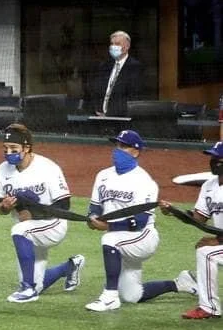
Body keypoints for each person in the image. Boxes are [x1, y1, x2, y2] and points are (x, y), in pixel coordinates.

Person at [84, 130, 196, 312]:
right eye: (117, 145)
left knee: (109, 239)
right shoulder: (103, 175)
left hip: (142, 237)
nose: (117, 150)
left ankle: (109, 297)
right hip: (122, 240)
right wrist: (92, 218)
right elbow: (95, 206)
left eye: (123, 146)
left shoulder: (144, 181)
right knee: (132, 296)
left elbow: (141, 220)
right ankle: (181, 283)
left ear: (136, 152)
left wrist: (108, 226)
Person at [0, 123, 84, 303]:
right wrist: (5, 207)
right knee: (38, 282)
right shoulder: (2, 170)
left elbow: (64, 205)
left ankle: (27, 288)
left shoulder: (47, 168)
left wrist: (34, 214)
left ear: (26, 148)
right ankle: (70, 266)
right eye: (5, 148)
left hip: (53, 224)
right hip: (29, 231)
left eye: (13, 148)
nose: (9, 153)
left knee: (19, 230)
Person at [160, 141, 223, 320]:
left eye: (219, 159)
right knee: (206, 251)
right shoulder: (209, 186)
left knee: (207, 253)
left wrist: (218, 241)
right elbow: (198, 219)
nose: (214, 162)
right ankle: (209, 307)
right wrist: (174, 211)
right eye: (212, 158)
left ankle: (209, 308)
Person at [88, 30, 142, 117]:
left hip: (120, 118)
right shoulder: (104, 66)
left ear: (127, 46)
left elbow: (132, 98)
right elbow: (95, 91)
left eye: (117, 44)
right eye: (112, 44)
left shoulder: (135, 67)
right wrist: (96, 110)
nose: (113, 47)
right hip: (98, 117)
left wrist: (109, 114)